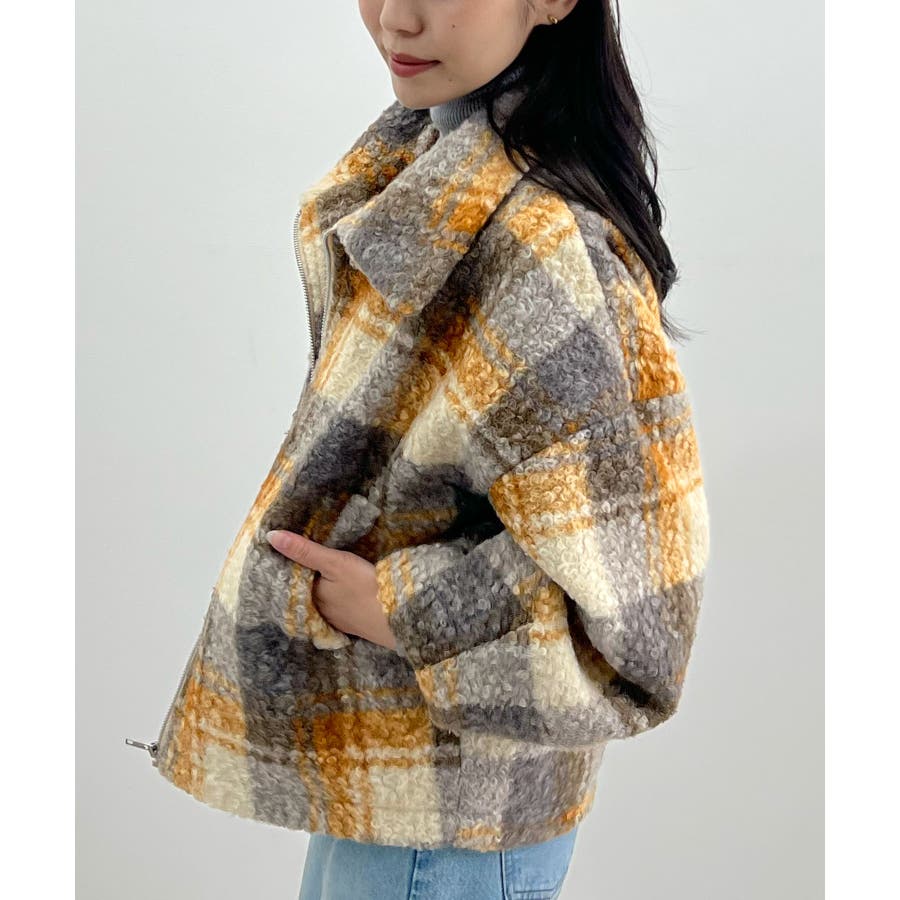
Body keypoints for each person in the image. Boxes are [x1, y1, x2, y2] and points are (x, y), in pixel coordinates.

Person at [129, 2, 710, 898]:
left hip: (452, 825)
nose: (397, 18)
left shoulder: (538, 243)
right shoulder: (428, 173)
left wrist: (408, 610)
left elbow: (637, 637)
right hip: (403, 790)